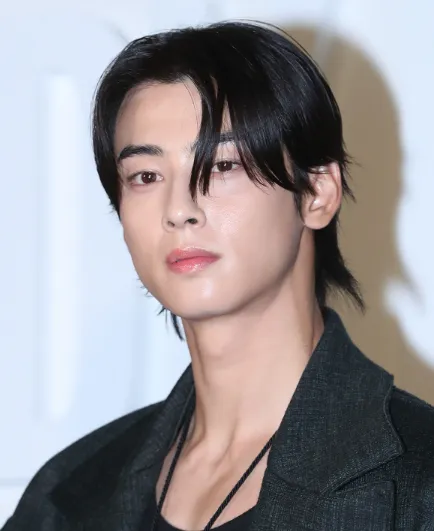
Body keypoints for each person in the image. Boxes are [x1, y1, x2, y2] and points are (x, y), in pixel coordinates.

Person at [3, 21, 434, 531]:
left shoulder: (419, 482)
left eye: (223, 166)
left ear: (317, 193)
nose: (178, 209)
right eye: (146, 176)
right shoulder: (67, 495)